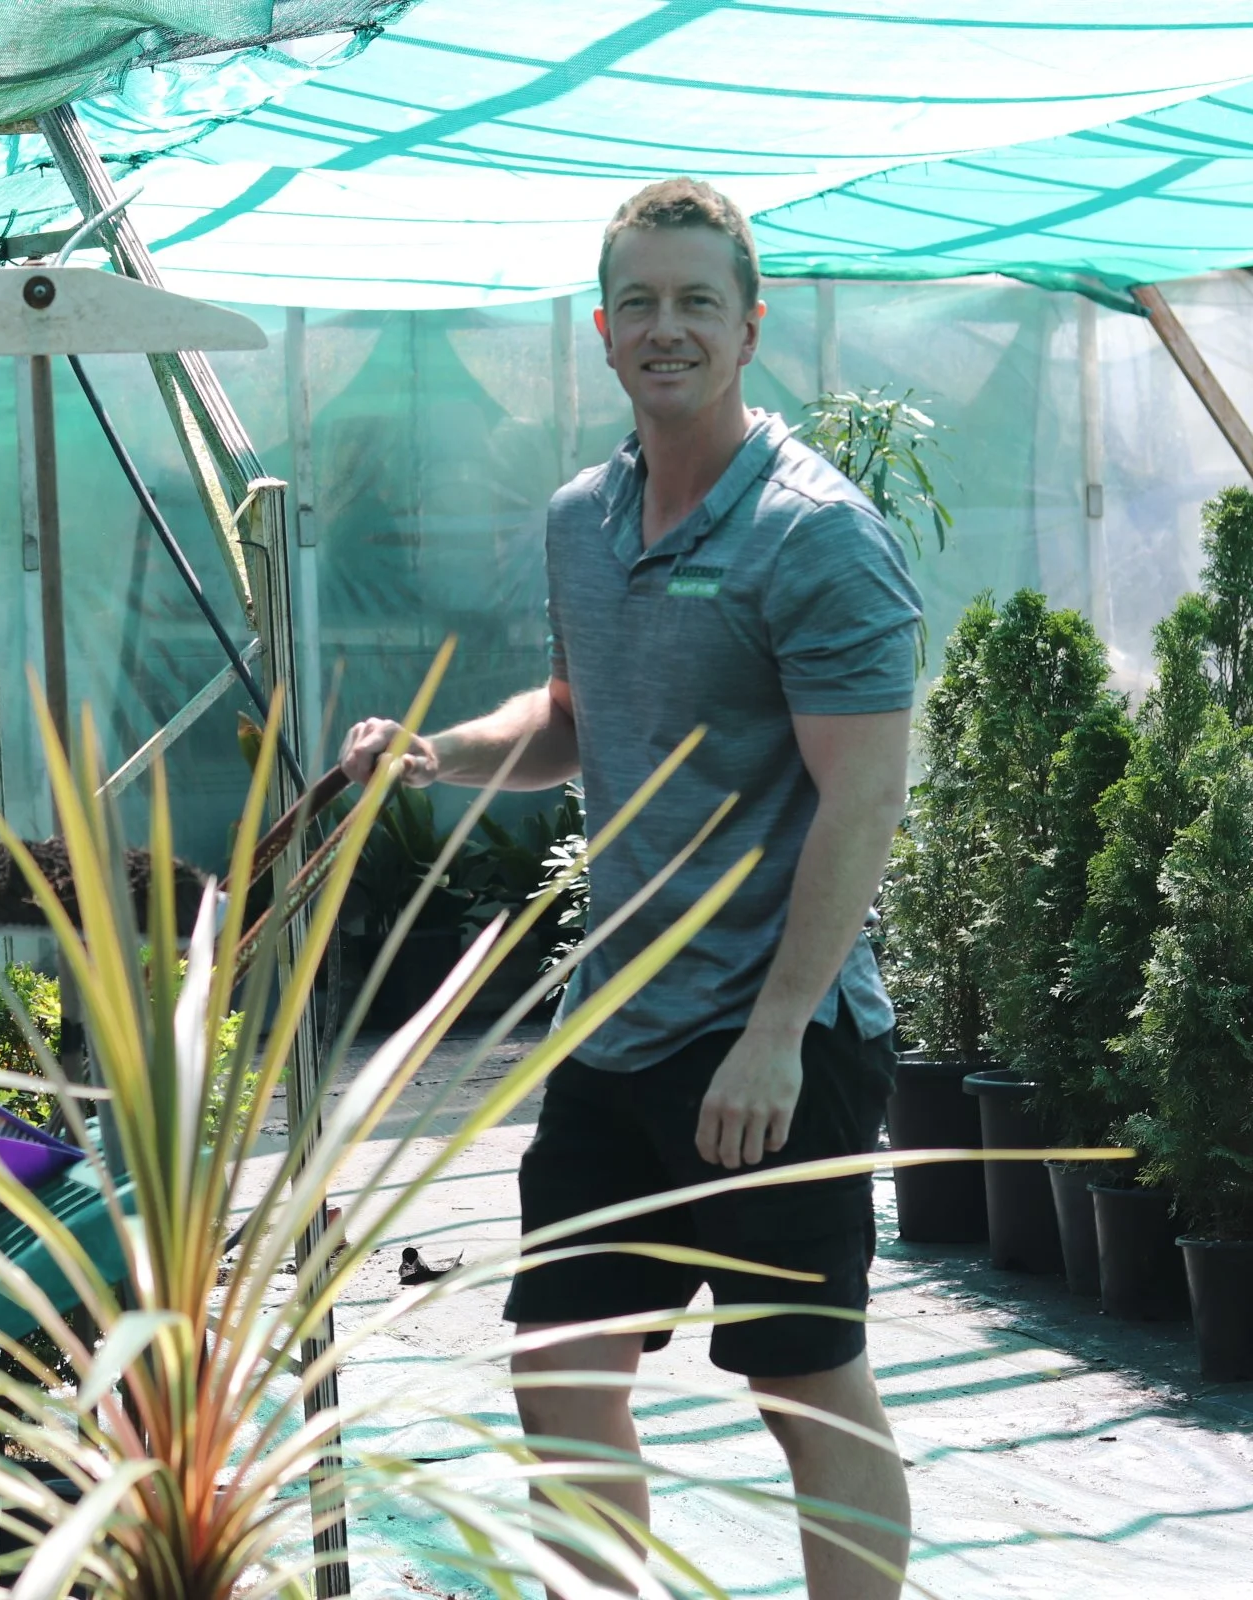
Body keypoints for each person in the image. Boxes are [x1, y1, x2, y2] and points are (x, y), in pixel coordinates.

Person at [337, 178, 919, 1599]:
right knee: (557, 1366)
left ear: (749, 324)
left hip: (778, 1044)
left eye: (697, 303)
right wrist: (436, 758)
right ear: (603, 330)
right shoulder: (584, 521)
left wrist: (778, 1030)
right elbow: (577, 718)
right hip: (620, 1031)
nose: (668, 329)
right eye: (641, 303)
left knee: (805, 1386)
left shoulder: (817, 537)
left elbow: (864, 796)